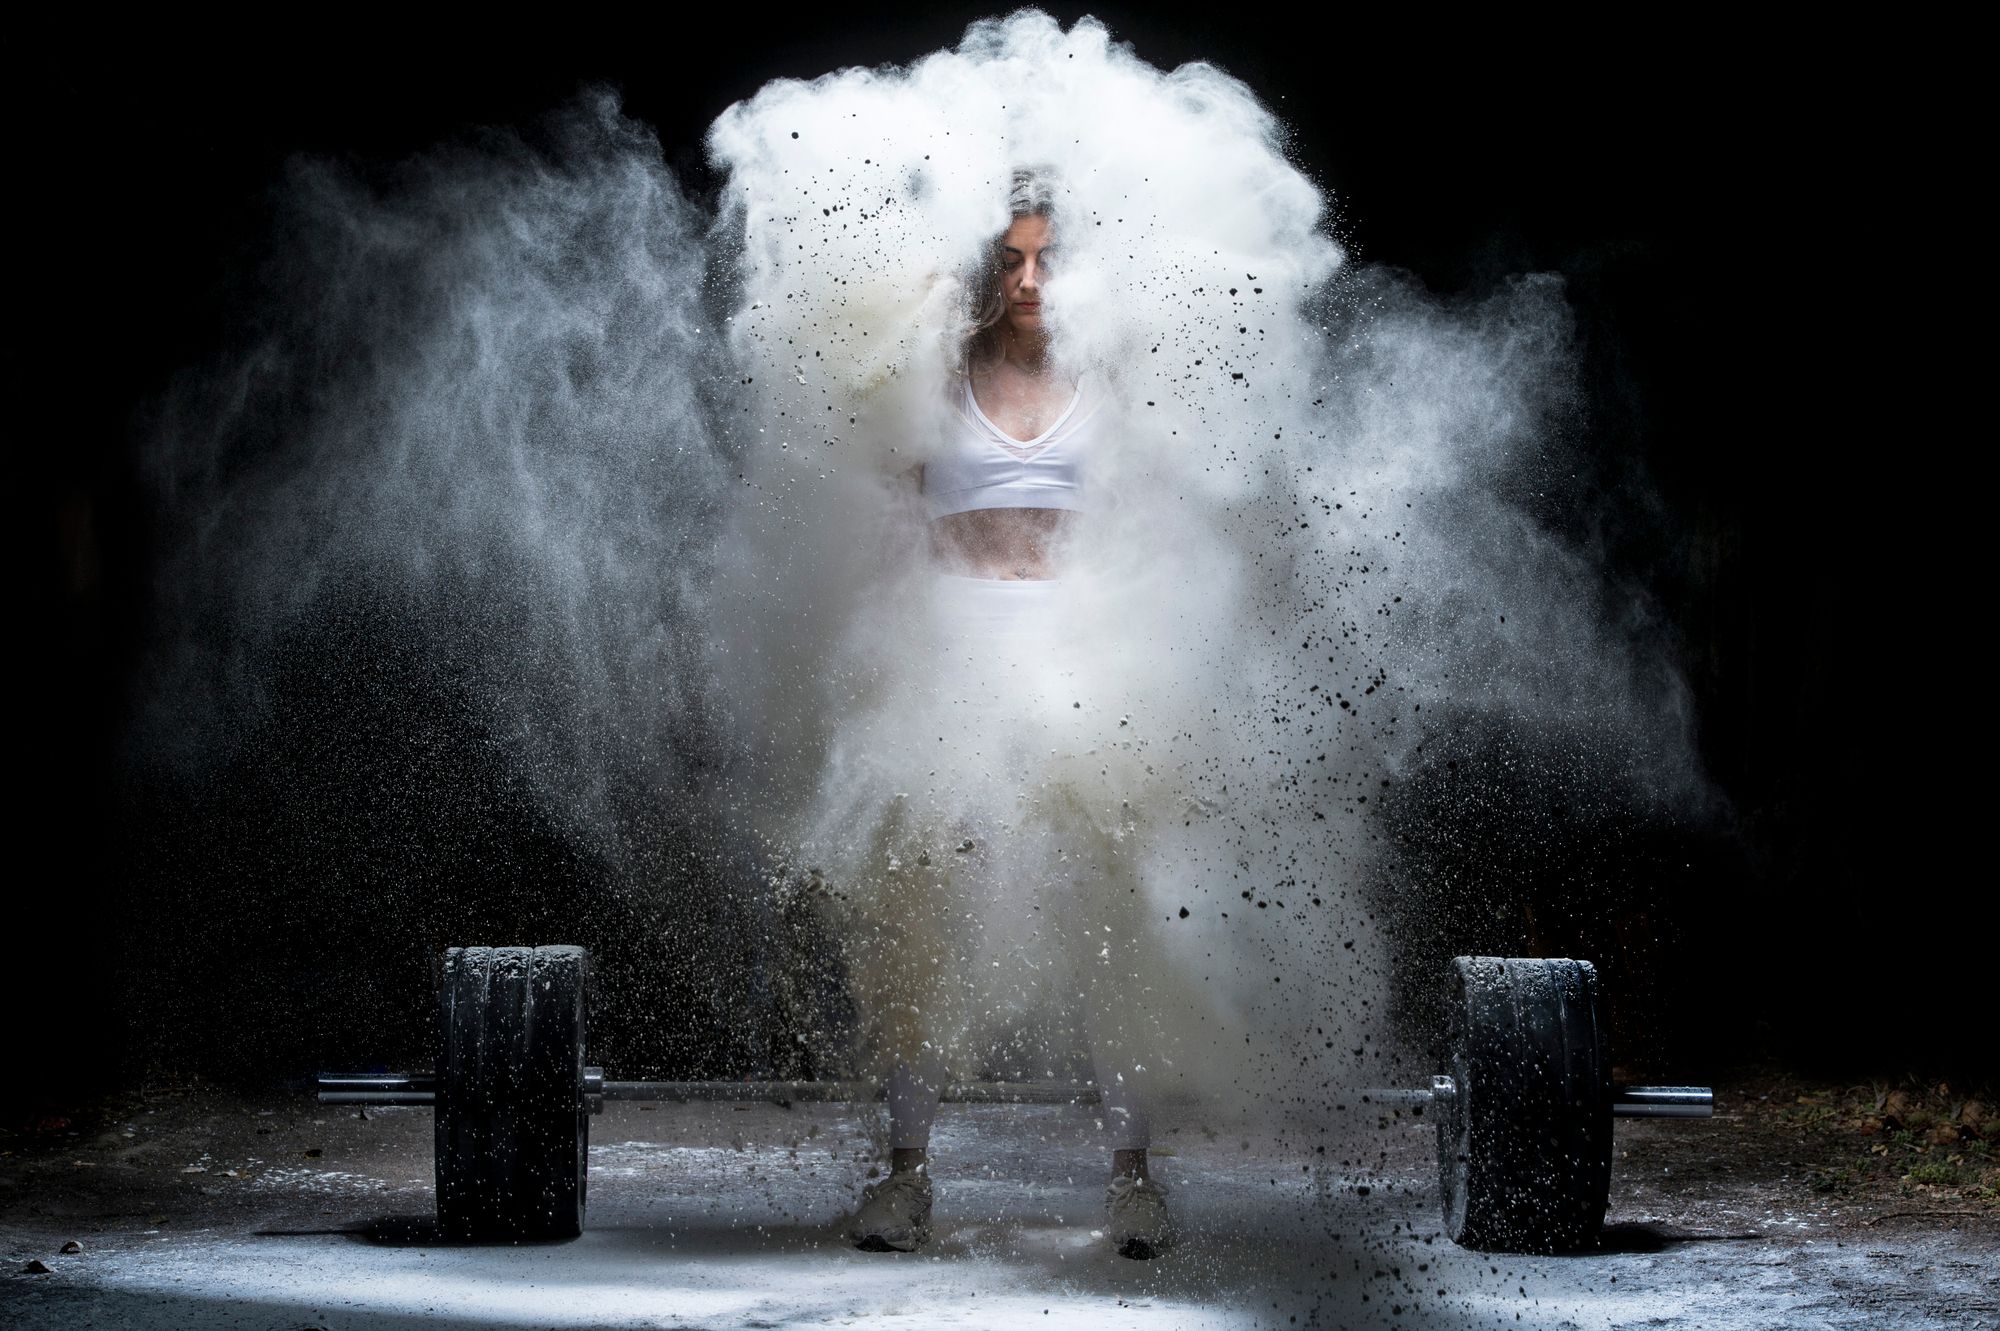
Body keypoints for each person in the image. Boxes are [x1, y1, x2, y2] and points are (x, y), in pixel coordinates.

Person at [838, 169, 1178, 1260]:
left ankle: (1132, 1179)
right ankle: (903, 1172)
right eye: (1010, 260)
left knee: (1110, 902)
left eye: (1046, 260)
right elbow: (882, 527)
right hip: (951, 649)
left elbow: (1151, 536)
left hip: (1082, 651)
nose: (1028, 280)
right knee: (922, 902)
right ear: (986, 269)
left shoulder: (1112, 387)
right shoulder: (931, 386)